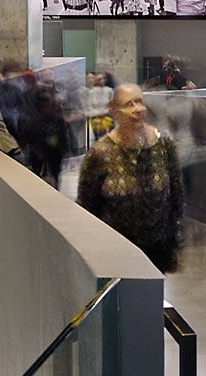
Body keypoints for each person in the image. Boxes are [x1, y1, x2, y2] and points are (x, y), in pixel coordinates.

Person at [77, 84, 185, 269]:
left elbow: (176, 196)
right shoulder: (100, 153)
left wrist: (176, 242)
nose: (137, 109)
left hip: (158, 248)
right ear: (114, 111)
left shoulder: (164, 144)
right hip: (117, 251)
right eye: (129, 104)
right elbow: (88, 205)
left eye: (140, 102)